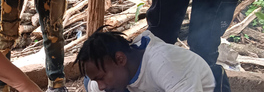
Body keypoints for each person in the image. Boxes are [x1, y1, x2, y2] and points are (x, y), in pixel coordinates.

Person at [75, 29, 216, 92]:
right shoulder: (108, 79)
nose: (101, 86)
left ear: (120, 59)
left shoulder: (164, 63)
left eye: (101, 78)